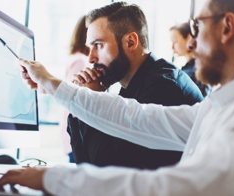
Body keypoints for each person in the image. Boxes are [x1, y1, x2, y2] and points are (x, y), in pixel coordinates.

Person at [0, 0, 234, 195]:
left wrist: (54, 178)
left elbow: (172, 188)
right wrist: (55, 86)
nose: (191, 44)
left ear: (227, 27)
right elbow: (136, 117)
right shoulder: (221, 105)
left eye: (197, 27)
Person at [66, 3, 203, 169]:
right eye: (90, 47)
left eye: (99, 45)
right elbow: (84, 166)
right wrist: (79, 107)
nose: (91, 58)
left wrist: (93, 100)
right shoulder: (131, 86)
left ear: (130, 42)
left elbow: (108, 170)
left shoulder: (163, 87)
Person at [59, 15, 90, 163]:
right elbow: (73, 97)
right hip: (77, 134)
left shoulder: (76, 58)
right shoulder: (81, 61)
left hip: (72, 132)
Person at [170, 22, 212, 97]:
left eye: (175, 42)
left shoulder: (199, 69)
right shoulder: (187, 68)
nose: (172, 47)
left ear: (189, 38)